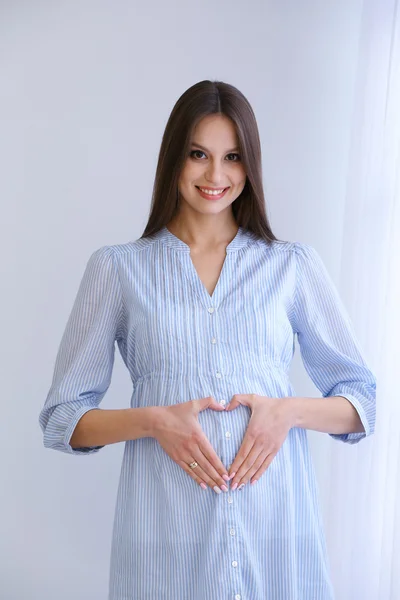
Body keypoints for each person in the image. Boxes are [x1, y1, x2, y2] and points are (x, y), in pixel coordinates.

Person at [38, 80, 376, 600]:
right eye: (199, 154)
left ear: (250, 165)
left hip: (276, 541)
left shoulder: (291, 266)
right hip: (167, 545)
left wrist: (285, 411)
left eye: (232, 157)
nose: (215, 175)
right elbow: (64, 420)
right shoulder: (118, 269)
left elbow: (362, 402)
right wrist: (154, 420)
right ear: (174, 157)